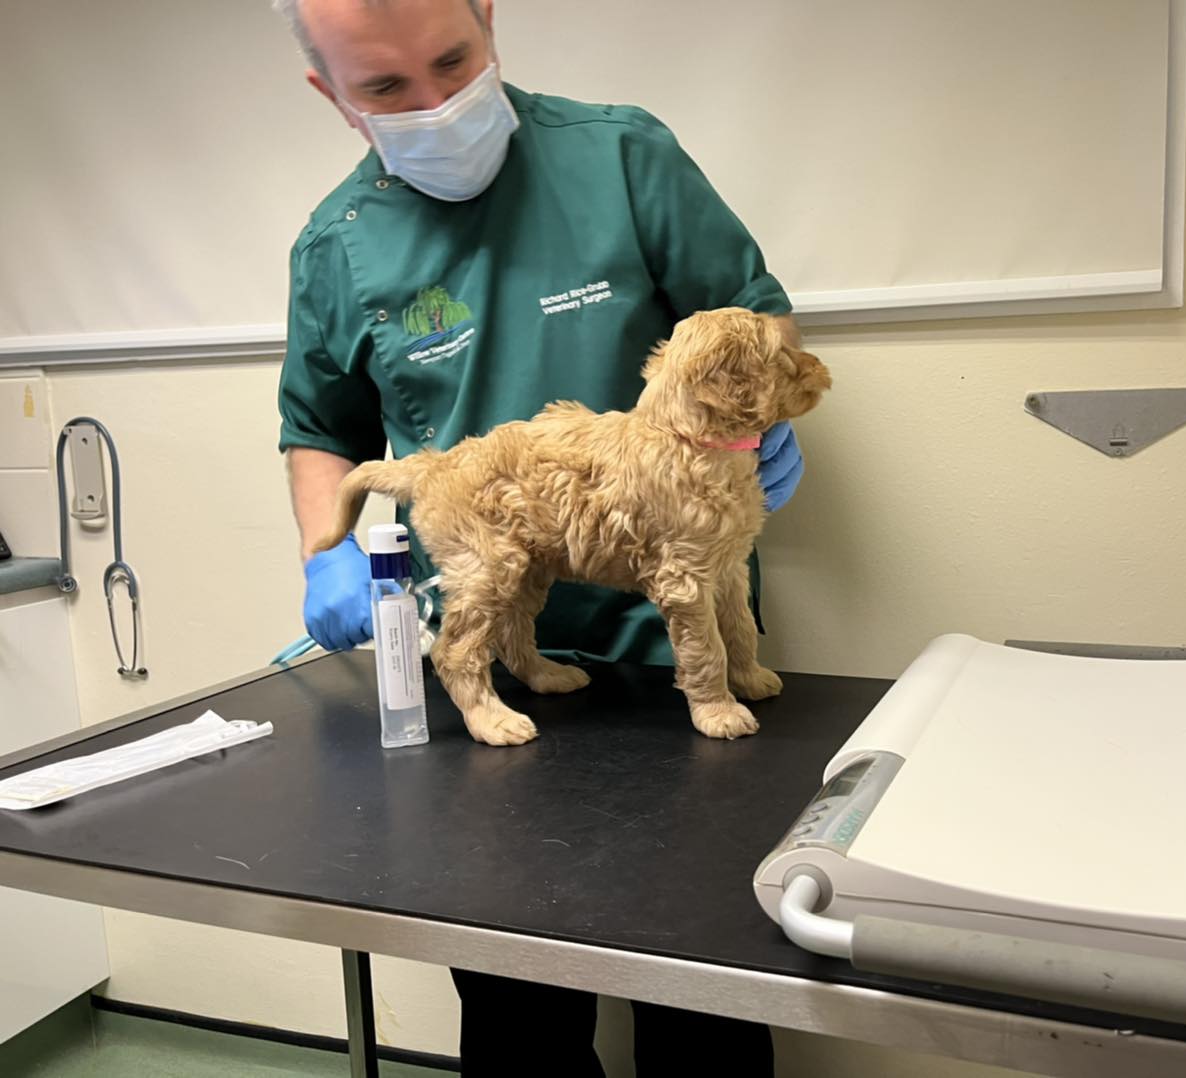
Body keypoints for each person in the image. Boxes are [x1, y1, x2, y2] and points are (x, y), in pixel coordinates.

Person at [271, 1, 803, 1072]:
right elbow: (320, 427)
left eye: (454, 60)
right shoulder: (336, 246)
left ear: (490, 22)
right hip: (499, 694)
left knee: (707, 1002)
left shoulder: (622, 157)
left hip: (673, 659)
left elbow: (751, 318)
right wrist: (326, 551)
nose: (435, 103)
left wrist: (767, 429)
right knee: (520, 1015)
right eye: (385, 89)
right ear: (330, 95)